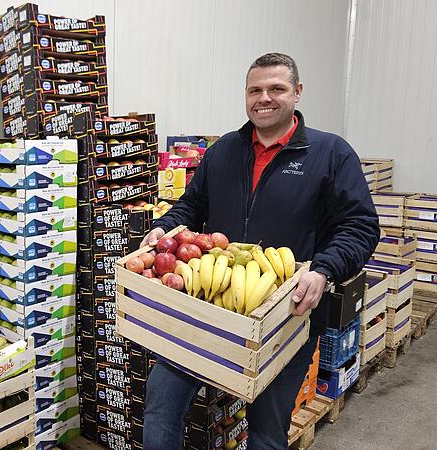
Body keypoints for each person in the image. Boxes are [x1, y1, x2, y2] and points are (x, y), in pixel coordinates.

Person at [141, 53, 379, 449]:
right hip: (207, 304)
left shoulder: (331, 154)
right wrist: (163, 228)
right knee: (160, 409)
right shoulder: (223, 152)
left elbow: (360, 226)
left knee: (267, 430)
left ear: (297, 93)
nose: (264, 98)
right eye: (255, 90)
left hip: (286, 315)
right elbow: (192, 205)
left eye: (276, 89)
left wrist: (323, 269)